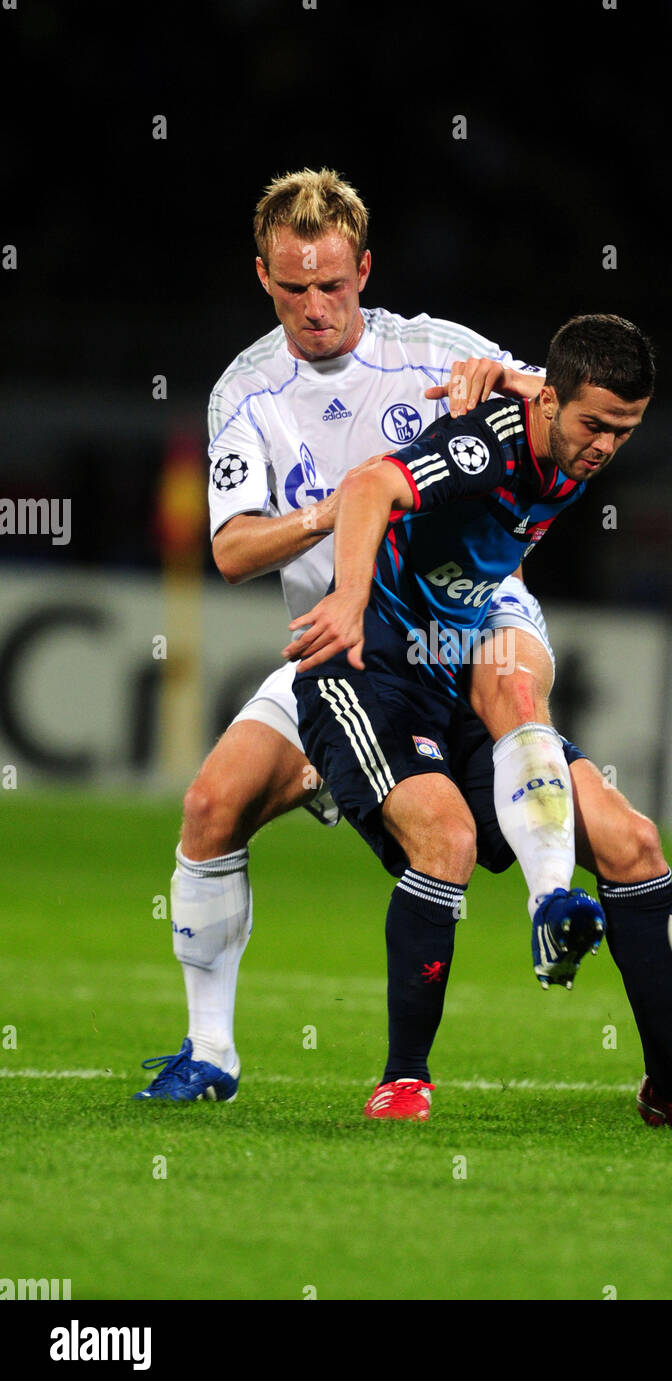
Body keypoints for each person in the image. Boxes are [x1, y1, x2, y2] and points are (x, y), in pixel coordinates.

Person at [134, 166, 594, 1104]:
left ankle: (567, 914)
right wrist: (327, 515)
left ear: (365, 270)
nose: (315, 307)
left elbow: (566, 407)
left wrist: (510, 377)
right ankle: (210, 1055)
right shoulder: (246, 394)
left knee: (526, 774)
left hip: (448, 634)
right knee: (208, 808)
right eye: (293, 287)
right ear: (263, 277)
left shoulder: (434, 349)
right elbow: (229, 550)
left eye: (333, 286)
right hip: (336, 651)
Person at [288, 313, 672, 1134]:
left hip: (454, 668)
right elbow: (371, 487)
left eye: (623, 432)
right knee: (446, 838)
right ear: (552, 403)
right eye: (593, 424)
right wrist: (346, 597)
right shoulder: (489, 442)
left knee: (631, 841)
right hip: (366, 673)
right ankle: (402, 1080)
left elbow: (537, 396)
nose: (603, 446)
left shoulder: (563, 434)